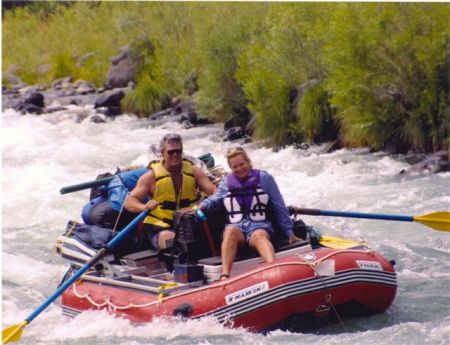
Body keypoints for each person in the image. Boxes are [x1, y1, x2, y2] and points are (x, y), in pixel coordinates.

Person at [199, 147, 301, 280]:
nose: (239, 168)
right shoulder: (227, 183)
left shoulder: (265, 178)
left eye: (242, 164)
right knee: (229, 231)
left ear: (248, 162)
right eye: (235, 166)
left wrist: (289, 232)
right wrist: (202, 205)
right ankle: (224, 276)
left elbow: (279, 205)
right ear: (231, 168)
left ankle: (274, 269)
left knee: (259, 235)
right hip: (237, 228)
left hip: (259, 225)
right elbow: (216, 199)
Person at [124, 133, 217, 250]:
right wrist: (144, 207)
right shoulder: (150, 177)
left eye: (178, 151)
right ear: (162, 153)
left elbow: (214, 191)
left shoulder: (194, 171)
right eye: (171, 152)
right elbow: (129, 202)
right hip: (161, 228)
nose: (175, 155)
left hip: (189, 224)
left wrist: (201, 206)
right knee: (172, 240)